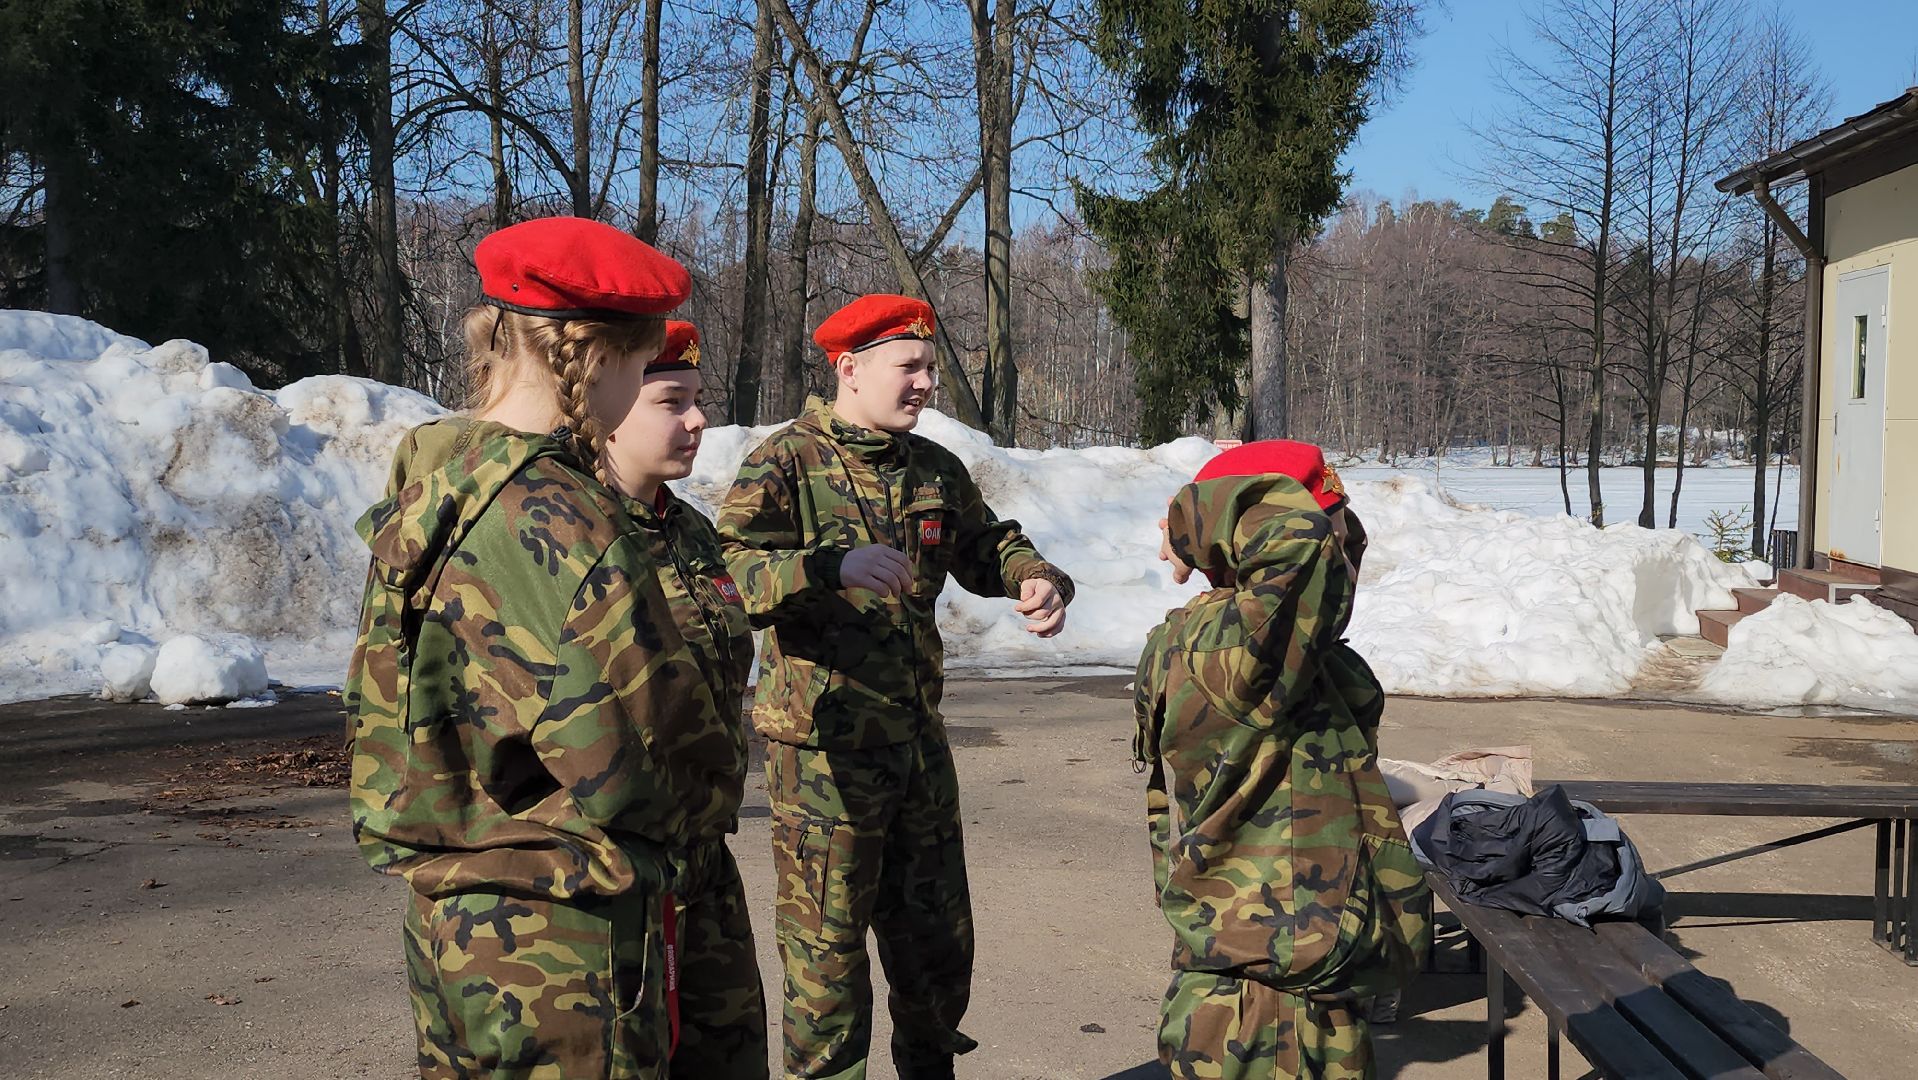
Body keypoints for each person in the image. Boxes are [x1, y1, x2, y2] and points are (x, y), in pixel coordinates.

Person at [346, 215, 739, 1079]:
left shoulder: (438, 478)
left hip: (452, 920)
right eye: (639, 370)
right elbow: (639, 759)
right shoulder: (566, 522)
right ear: (594, 359)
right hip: (564, 944)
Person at [717, 293, 1074, 1080]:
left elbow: (989, 544)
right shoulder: (786, 462)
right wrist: (821, 568)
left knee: (938, 952)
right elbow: (727, 575)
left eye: (928, 370)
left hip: (916, 749)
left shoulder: (933, 468)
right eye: (907, 367)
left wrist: (1035, 578)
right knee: (827, 960)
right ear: (850, 368)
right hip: (823, 761)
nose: (923, 385)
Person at [1136, 440, 1430, 1080]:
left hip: (1294, 983)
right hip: (1265, 1017)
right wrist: (1201, 515)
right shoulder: (1226, 650)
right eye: (1332, 529)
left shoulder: (1273, 651)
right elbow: (1300, 551)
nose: (1342, 549)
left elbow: (1315, 570)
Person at [620, 319, 768, 1078]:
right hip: (619, 882)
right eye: (671, 399)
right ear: (607, 401)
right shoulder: (570, 541)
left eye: (699, 398)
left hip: (705, 864)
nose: (699, 419)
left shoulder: (693, 535)